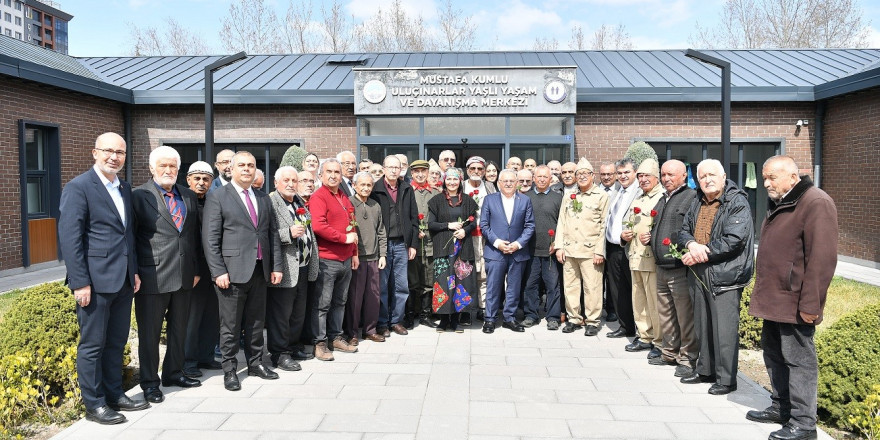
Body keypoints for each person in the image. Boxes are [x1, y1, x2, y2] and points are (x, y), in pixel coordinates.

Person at [746, 156, 837, 440]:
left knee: (799, 361)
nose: (766, 183)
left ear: (793, 176)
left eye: (772, 177)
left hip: (796, 301)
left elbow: (821, 260)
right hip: (775, 298)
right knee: (773, 354)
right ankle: (781, 407)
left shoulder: (815, 202)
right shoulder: (783, 200)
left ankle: (804, 424)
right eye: (764, 177)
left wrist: (811, 305)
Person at [59, 132, 147, 425]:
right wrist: (80, 282)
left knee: (116, 341)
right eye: (108, 151)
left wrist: (133, 270)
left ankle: (114, 394)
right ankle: (93, 404)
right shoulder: (79, 187)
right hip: (94, 283)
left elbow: (128, 234)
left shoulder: (123, 187)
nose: (114, 157)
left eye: (120, 152)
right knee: (93, 344)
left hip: (122, 280)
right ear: (94, 153)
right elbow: (71, 239)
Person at [203, 151, 284, 391]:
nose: (247, 169)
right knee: (230, 325)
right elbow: (211, 238)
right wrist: (218, 271)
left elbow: (272, 235)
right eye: (242, 165)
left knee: (256, 322)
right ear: (231, 168)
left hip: (260, 270)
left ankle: (255, 363)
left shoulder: (263, 198)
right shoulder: (218, 197)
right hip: (231, 272)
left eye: (251, 165)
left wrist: (276, 265)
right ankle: (229, 369)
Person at [132, 146, 202, 405]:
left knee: (178, 329)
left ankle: (173, 373)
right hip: (152, 276)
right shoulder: (138, 195)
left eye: (173, 166)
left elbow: (192, 236)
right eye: (163, 166)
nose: (168, 170)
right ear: (151, 168)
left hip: (184, 275)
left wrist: (195, 269)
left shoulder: (188, 195)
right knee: (149, 335)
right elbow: (131, 238)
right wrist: (135, 272)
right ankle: (150, 383)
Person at [677, 159, 754, 396]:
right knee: (702, 323)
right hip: (700, 271)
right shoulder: (697, 201)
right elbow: (683, 230)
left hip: (725, 273)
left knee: (724, 329)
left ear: (723, 177)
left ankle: (727, 379)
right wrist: (690, 244)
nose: (707, 180)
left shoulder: (737, 202)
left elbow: (734, 239)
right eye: (702, 177)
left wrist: (700, 253)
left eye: (712, 175)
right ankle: (706, 370)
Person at [649, 160, 698, 378]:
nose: (666, 178)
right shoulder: (662, 199)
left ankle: (687, 358)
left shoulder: (690, 198)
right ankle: (669, 352)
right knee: (666, 314)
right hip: (661, 265)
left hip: (679, 267)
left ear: (683, 176)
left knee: (684, 315)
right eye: (663, 174)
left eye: (671, 174)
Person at [266, 166, 318, 372]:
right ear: (276, 182)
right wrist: (287, 232)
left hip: (303, 266)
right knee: (281, 314)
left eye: (293, 181)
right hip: (284, 267)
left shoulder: (299, 203)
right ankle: (279, 354)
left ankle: (293, 345)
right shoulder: (271, 203)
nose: (290, 184)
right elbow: (265, 234)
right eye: (286, 180)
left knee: (297, 312)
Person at [309, 159, 359, 361]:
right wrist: (343, 238)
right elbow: (319, 226)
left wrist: (354, 251)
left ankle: (336, 337)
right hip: (327, 260)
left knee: (340, 301)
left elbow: (352, 225)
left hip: (346, 259)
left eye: (337, 172)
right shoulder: (318, 197)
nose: (333, 175)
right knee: (322, 304)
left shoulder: (343, 197)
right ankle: (319, 343)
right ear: (321, 175)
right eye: (329, 171)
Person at [555, 158, 608, 335]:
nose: (582, 177)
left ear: (593, 176)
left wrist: (600, 250)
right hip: (569, 249)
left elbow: (604, 225)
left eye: (586, 174)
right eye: (579, 174)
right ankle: (574, 318)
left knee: (592, 287)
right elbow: (561, 222)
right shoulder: (569, 196)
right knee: (570, 286)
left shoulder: (601, 196)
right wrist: (559, 246)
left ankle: (592, 320)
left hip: (590, 250)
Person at [480, 169, 535, 333]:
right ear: (499, 183)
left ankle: (509, 318)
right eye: (505, 181)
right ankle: (489, 319)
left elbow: (529, 225)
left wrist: (518, 244)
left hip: (517, 252)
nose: (509, 183)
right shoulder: (489, 200)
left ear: (517, 183)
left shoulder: (525, 200)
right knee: (493, 287)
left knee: (514, 287)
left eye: (512, 181)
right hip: (496, 252)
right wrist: (497, 243)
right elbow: (484, 225)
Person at [370, 155, 419, 337]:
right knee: (382, 286)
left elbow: (414, 219)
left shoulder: (407, 189)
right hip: (382, 245)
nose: (393, 170)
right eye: (389, 167)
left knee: (401, 285)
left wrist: (412, 244)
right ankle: (382, 322)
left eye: (396, 168)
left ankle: (396, 320)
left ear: (401, 170)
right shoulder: (375, 189)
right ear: (383, 169)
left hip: (401, 244)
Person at [183, 161, 222, 379]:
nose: (201, 183)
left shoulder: (213, 201)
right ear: (188, 180)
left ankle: (206, 355)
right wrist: (194, 270)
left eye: (205, 179)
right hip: (194, 270)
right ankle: (188, 361)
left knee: (212, 315)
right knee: (192, 317)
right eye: (196, 178)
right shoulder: (183, 201)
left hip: (213, 268)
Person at [621, 159, 664, 357]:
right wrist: (624, 235)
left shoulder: (661, 198)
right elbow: (628, 222)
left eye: (647, 176)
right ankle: (644, 336)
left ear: (656, 177)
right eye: (641, 176)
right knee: (639, 300)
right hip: (635, 256)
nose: (643, 179)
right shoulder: (639, 198)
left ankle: (659, 340)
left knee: (654, 302)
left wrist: (653, 237)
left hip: (651, 258)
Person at [427, 167, 479, 332]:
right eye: (448, 179)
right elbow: (431, 224)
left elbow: (473, 222)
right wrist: (447, 225)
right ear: (444, 181)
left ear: (460, 181)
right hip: (444, 249)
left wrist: (465, 230)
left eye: (455, 179)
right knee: (443, 283)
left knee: (460, 284)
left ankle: (456, 319)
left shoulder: (468, 201)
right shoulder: (436, 201)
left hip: (462, 250)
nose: (452, 182)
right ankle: (443, 319)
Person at [344, 172, 387, 343]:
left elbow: (381, 231)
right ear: (354, 185)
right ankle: (352, 333)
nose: (366, 188)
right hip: (356, 258)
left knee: (373, 296)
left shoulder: (375, 205)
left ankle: (370, 329)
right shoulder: (348, 203)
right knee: (355, 297)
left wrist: (382, 254)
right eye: (362, 184)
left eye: (369, 185)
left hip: (374, 258)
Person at [523, 165, 563, 330]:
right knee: (530, 285)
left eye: (544, 177)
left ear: (550, 179)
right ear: (534, 178)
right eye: (538, 177)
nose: (541, 179)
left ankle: (553, 317)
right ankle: (531, 315)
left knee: (552, 285)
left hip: (550, 251)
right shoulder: (525, 197)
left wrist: (558, 243)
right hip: (530, 250)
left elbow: (563, 223)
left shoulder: (558, 198)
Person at [605, 158, 640, 339]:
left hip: (629, 248)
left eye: (626, 172)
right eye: (620, 173)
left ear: (635, 173)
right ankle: (625, 326)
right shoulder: (617, 191)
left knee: (634, 289)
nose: (623, 176)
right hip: (612, 248)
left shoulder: (640, 192)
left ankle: (641, 329)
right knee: (618, 290)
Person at [407, 160, 440, 328]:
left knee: (428, 279)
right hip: (413, 243)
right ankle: (411, 313)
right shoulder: (406, 191)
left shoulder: (435, 193)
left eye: (423, 171)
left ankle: (426, 314)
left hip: (430, 242)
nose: (420, 174)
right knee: (412, 279)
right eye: (416, 171)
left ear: (428, 173)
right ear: (411, 173)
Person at [463, 156, 497, 321]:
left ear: (484, 171)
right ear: (467, 170)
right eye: (472, 169)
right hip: (466, 237)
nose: (476, 172)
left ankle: (483, 307)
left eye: (479, 169)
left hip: (485, 236)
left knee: (484, 273)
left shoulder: (490, 187)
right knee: (466, 272)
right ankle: (466, 309)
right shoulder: (461, 185)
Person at [294, 169, 319, 354]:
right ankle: (291, 343)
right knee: (293, 307)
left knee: (306, 304)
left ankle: (304, 337)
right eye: (304, 180)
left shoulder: (311, 203)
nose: (309, 184)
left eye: (311, 180)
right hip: (293, 264)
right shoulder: (292, 202)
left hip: (309, 263)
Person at [597, 161, 620, 322]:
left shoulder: (621, 191)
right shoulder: (595, 190)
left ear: (615, 175)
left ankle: (612, 309)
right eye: (603, 174)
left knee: (612, 277)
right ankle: (597, 308)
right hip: (596, 241)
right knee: (597, 277)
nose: (606, 177)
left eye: (609, 174)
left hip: (613, 241)